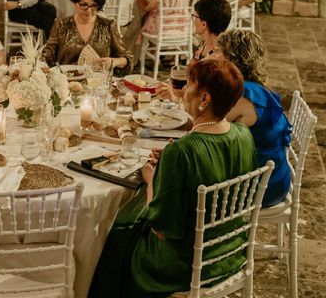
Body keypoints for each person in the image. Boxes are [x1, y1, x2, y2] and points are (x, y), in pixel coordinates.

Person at [89, 59, 256, 297]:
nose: (184, 92)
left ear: (205, 99)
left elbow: (160, 229)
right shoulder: (243, 135)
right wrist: (172, 161)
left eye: (189, 86)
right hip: (229, 252)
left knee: (114, 239)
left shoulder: (183, 152)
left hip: (183, 265)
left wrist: (152, 181)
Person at [215, 29, 291, 207]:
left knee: (187, 182)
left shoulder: (242, 94)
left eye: (218, 51)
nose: (214, 56)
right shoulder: (254, 86)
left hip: (262, 186)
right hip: (274, 175)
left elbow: (208, 126)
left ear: (231, 57)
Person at [42, 0, 133, 73]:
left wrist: (115, 62)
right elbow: (48, 54)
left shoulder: (107, 26)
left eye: (93, 5)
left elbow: (127, 57)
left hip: (97, 83)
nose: (89, 10)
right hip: (67, 82)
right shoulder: (61, 25)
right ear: (75, 3)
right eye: (84, 5)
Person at [156, 0, 232, 100]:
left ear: (204, 24)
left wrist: (176, 98)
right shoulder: (204, 46)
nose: (192, 20)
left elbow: (205, 99)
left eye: (194, 16)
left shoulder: (217, 59)